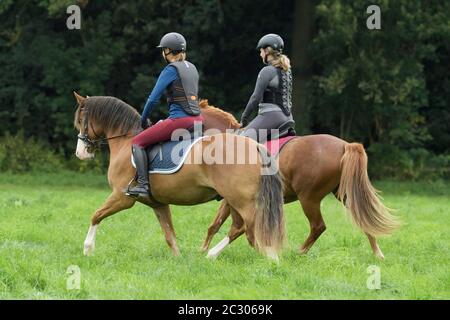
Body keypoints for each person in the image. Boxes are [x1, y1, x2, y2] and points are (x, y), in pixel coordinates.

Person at [127, 32, 203, 198]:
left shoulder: (171, 69)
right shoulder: (193, 68)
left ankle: (143, 185)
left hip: (179, 121)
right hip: (198, 121)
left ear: (169, 51)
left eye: (164, 50)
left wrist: (143, 119)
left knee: (137, 142)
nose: (163, 53)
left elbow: (153, 99)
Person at [240, 33, 293, 142]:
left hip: (271, 116)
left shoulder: (267, 71)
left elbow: (255, 97)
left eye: (261, 51)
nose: (260, 54)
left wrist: (244, 118)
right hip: (288, 117)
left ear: (267, 51)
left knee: (240, 142)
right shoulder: (287, 71)